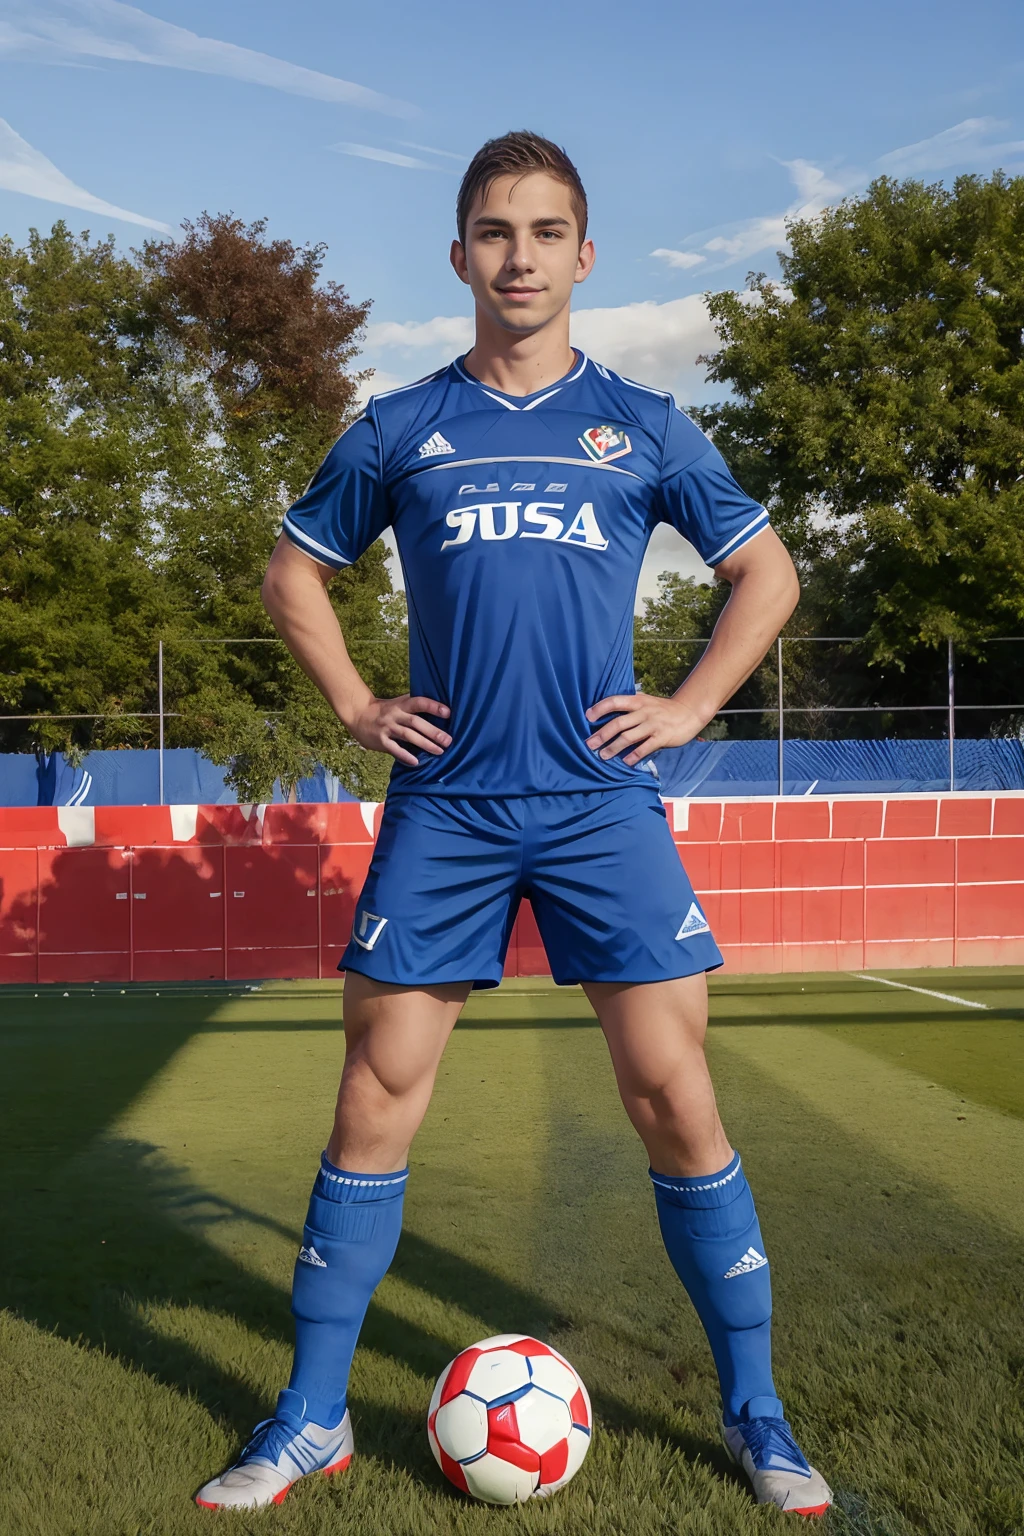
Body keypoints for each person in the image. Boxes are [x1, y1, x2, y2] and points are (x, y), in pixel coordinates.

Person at [195, 130, 832, 1518]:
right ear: (460, 255)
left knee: (676, 1099)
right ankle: (310, 1419)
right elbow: (290, 572)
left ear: (584, 256)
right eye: (495, 231)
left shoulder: (645, 424)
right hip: (449, 805)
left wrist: (688, 705)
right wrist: (361, 702)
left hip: (603, 803)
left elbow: (765, 574)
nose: (520, 256)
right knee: (374, 1098)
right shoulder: (403, 426)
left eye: (546, 232)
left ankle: (760, 1416)